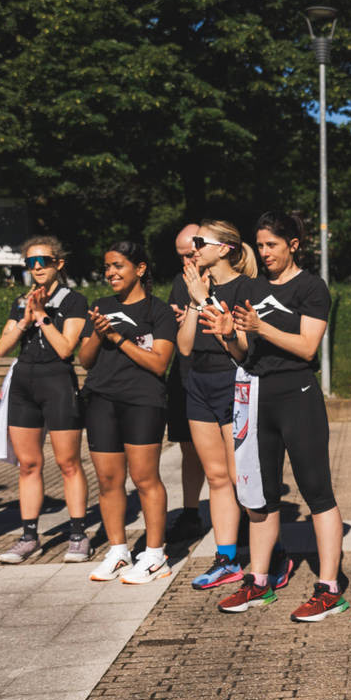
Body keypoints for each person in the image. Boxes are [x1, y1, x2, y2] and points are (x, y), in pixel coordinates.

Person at [214, 212, 346, 620]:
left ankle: (329, 588)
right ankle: (258, 581)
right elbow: (243, 353)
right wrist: (228, 335)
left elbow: (307, 347)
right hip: (257, 396)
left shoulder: (311, 287)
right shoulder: (249, 288)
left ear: (294, 245)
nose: (265, 252)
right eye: (260, 245)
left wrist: (261, 326)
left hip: (298, 395)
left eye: (272, 244)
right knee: (261, 496)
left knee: (316, 491)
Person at [79, 241, 177, 583]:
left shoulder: (158, 311)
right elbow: (85, 359)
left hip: (142, 401)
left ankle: (155, 556)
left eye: (118, 265)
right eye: (107, 267)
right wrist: (98, 334)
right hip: (101, 399)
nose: (110, 273)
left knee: (145, 478)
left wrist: (118, 337)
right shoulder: (101, 307)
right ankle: (118, 552)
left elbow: (159, 363)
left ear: (140, 268)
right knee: (108, 480)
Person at [174, 219, 259, 590]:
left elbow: (240, 347)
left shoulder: (247, 287)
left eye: (199, 242)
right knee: (217, 477)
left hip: (232, 382)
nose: (193, 249)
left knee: (242, 477)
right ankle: (226, 559)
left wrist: (204, 299)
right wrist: (197, 299)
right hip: (199, 383)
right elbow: (185, 346)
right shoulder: (196, 285)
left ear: (224, 248)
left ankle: (272, 552)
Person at [0, 236, 91, 563]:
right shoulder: (21, 301)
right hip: (24, 382)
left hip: (57, 381)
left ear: (58, 264)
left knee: (68, 462)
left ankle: (78, 534)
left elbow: (65, 348)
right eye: (30, 262)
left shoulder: (73, 300)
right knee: (28, 465)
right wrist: (25, 318)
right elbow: (2, 347)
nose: (37, 268)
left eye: (43, 262)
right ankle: (29, 536)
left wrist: (41, 316)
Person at [165, 223, 207, 543]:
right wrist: (177, 319)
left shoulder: (227, 279)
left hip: (216, 372)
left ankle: (243, 513)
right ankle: (191, 512)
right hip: (184, 372)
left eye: (191, 254)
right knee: (188, 448)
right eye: (181, 257)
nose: (187, 262)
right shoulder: (180, 282)